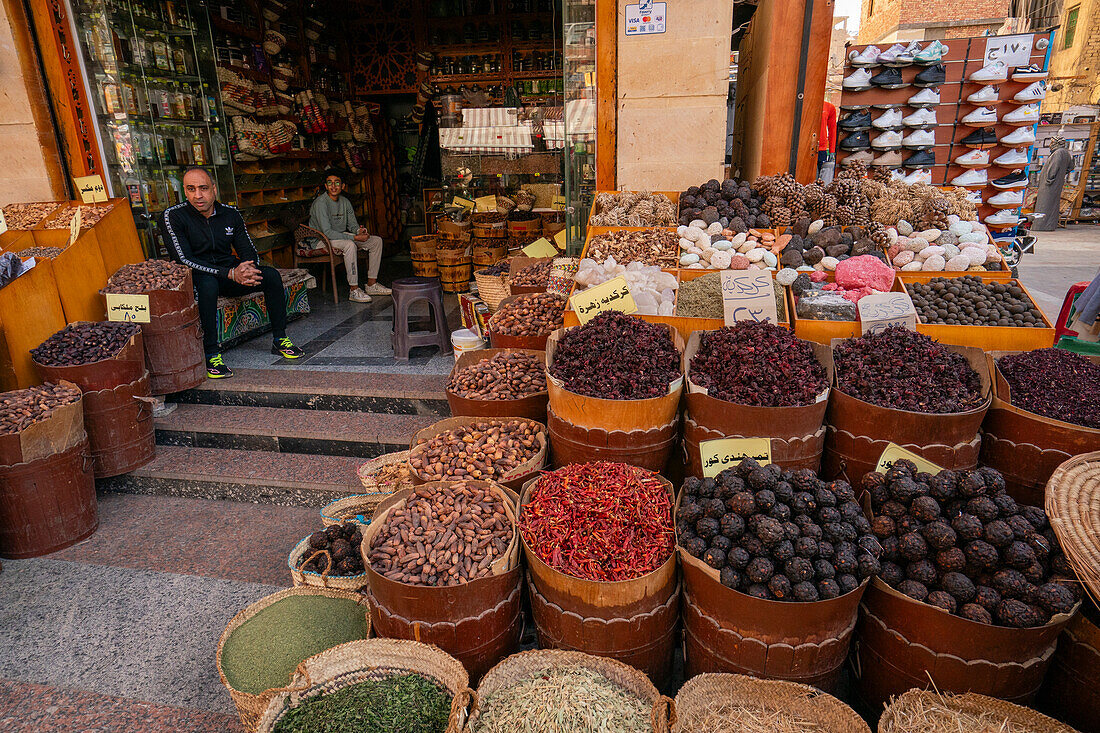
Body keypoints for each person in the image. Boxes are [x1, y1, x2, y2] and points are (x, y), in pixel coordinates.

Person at [161, 167, 304, 379]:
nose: (197, 195)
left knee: (271, 276)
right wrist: (229, 273)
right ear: (184, 190)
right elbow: (184, 259)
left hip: (230, 272)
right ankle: (211, 354)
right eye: (191, 189)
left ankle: (280, 339)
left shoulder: (230, 214)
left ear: (214, 189)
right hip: (198, 274)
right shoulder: (173, 216)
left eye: (203, 188)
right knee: (208, 285)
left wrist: (247, 269)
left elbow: (248, 251)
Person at [309, 170, 390, 303]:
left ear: (343, 186)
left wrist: (359, 231)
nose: (333, 186)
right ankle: (354, 290)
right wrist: (354, 238)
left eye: (337, 183)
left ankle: (371, 284)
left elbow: (352, 225)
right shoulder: (320, 203)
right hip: (321, 240)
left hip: (340, 236)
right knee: (350, 245)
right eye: (330, 183)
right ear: (325, 185)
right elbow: (327, 232)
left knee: (376, 241)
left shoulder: (345, 202)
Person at [1032, 134, 1074, 232]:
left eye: (1052, 142)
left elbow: (1053, 169)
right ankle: (1049, 225)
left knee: (1044, 204)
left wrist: (1050, 178)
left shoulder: (1058, 153)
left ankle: (1041, 226)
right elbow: (1071, 167)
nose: (1050, 144)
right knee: (1052, 205)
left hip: (1049, 184)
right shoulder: (1066, 153)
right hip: (1056, 183)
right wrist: (1062, 174)